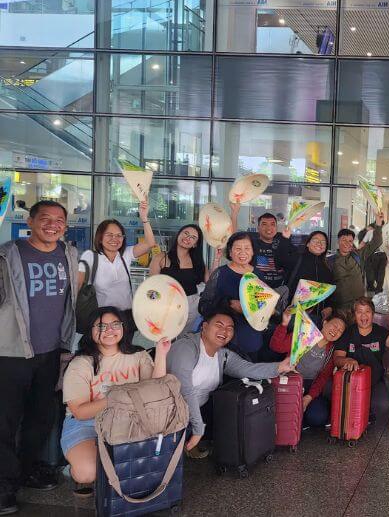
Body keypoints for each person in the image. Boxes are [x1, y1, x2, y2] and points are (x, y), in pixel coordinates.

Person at [0, 201, 78, 514]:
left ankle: (23, 469)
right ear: (30, 221)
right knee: (4, 422)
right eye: (45, 219)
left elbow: (69, 301)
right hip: (11, 352)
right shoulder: (8, 254)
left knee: (40, 418)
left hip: (51, 352)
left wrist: (66, 345)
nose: (52, 225)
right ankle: (4, 485)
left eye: (59, 220)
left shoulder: (68, 254)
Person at [60, 307, 170, 495]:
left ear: (123, 327)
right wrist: (120, 397)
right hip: (87, 424)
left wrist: (161, 354)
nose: (109, 330)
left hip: (129, 421)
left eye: (115, 324)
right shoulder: (81, 363)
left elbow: (155, 389)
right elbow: (80, 412)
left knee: (138, 464)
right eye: (101, 326)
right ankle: (72, 468)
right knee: (87, 473)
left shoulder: (138, 355)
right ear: (91, 331)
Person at [167, 307, 292, 459]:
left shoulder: (222, 355)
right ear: (204, 327)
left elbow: (248, 369)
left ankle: (187, 440)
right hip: (167, 413)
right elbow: (184, 389)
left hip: (191, 414)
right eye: (218, 325)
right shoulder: (185, 348)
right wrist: (198, 428)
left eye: (229, 328)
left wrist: (279, 367)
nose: (224, 331)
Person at [77, 200, 156, 336]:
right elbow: (76, 287)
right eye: (109, 235)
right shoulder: (90, 257)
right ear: (100, 238)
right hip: (102, 319)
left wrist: (144, 218)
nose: (115, 239)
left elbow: (150, 243)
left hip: (126, 317)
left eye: (119, 235)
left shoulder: (126, 254)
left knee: (124, 353)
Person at [333, 297, 389, 422]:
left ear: (373, 314)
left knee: (383, 404)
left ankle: (365, 416)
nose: (363, 316)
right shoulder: (347, 333)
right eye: (359, 312)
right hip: (350, 383)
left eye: (367, 311)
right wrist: (347, 361)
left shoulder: (379, 332)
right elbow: (337, 358)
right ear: (354, 315)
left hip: (374, 381)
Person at [269, 309, 347, 427]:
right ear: (325, 322)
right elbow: (276, 346)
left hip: (310, 385)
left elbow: (323, 378)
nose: (336, 331)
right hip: (291, 381)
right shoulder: (305, 334)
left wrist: (308, 398)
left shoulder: (332, 351)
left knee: (318, 418)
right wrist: (284, 324)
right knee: (284, 415)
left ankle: (303, 415)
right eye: (334, 325)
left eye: (340, 331)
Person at [150, 224, 220, 334]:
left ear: (195, 244)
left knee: (183, 340)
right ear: (179, 234)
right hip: (167, 305)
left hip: (190, 305)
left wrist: (216, 260)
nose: (187, 238)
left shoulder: (197, 262)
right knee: (164, 338)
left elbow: (209, 281)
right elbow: (151, 286)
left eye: (193, 237)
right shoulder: (161, 257)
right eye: (186, 233)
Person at [208, 232, 269, 358]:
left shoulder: (258, 275)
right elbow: (204, 305)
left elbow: (264, 303)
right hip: (223, 337)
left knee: (249, 374)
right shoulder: (220, 273)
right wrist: (229, 304)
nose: (243, 252)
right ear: (230, 252)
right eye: (237, 248)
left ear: (253, 252)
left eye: (247, 248)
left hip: (251, 337)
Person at [231, 203, 297, 290]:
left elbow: (292, 263)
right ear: (258, 227)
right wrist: (234, 213)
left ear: (276, 227)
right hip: (255, 288)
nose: (269, 228)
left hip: (278, 290)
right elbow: (234, 239)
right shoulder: (252, 243)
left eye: (272, 224)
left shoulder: (284, 241)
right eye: (264, 224)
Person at [330, 213, 385, 314]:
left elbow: (376, 242)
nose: (347, 243)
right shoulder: (330, 261)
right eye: (344, 240)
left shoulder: (358, 255)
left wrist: (378, 224)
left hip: (358, 307)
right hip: (339, 308)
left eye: (350, 241)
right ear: (338, 241)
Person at [284, 230, 335, 321]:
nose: (319, 243)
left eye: (323, 242)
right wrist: (285, 238)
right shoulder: (297, 259)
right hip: (294, 314)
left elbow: (328, 291)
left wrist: (329, 307)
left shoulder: (327, 266)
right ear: (307, 244)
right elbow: (280, 258)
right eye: (315, 240)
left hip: (318, 317)